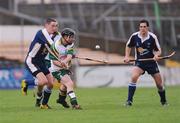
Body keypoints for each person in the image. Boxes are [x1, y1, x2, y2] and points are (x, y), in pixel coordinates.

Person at [123, 19, 168, 106]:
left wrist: (156, 56)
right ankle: (129, 101)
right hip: (139, 62)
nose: (142, 28)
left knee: (159, 85)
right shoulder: (134, 36)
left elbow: (158, 51)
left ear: (147, 27)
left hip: (151, 63)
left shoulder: (152, 37)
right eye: (141, 27)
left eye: (144, 27)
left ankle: (163, 101)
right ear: (139, 27)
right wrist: (127, 56)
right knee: (134, 77)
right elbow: (128, 46)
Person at [25, 18, 59, 109]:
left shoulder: (55, 34)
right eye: (53, 25)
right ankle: (38, 97)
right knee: (43, 81)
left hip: (41, 61)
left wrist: (69, 54)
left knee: (51, 84)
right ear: (46, 25)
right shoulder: (42, 33)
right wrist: (65, 55)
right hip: (32, 61)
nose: (55, 27)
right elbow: (53, 46)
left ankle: (43, 104)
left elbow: (60, 44)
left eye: (56, 26)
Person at [49, 28, 82, 109]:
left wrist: (65, 62)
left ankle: (61, 100)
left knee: (65, 85)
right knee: (69, 83)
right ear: (65, 37)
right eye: (71, 37)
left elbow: (69, 56)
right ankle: (74, 104)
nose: (73, 39)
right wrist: (61, 64)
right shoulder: (55, 46)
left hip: (64, 67)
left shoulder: (70, 44)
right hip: (56, 69)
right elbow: (54, 61)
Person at [21, 31, 61, 96]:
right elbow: (53, 48)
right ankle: (27, 83)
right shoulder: (42, 36)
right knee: (43, 81)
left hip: (43, 61)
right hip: (35, 61)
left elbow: (57, 49)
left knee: (50, 83)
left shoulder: (55, 38)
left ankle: (42, 102)